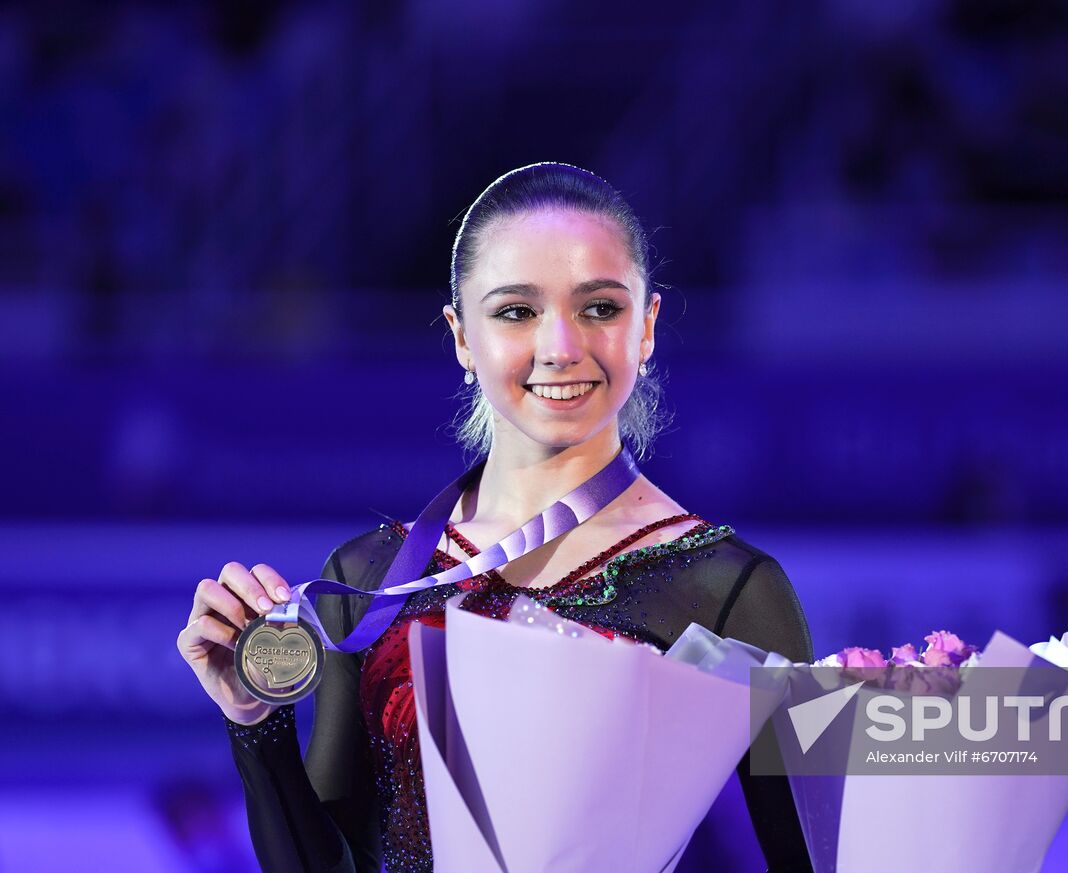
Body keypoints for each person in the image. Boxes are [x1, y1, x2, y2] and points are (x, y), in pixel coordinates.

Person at [176, 162, 814, 873]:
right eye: (517, 311)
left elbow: (809, 857)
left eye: (600, 308)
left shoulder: (730, 590)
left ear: (647, 326)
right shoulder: (370, 580)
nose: (561, 347)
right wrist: (254, 721)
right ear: (460, 334)